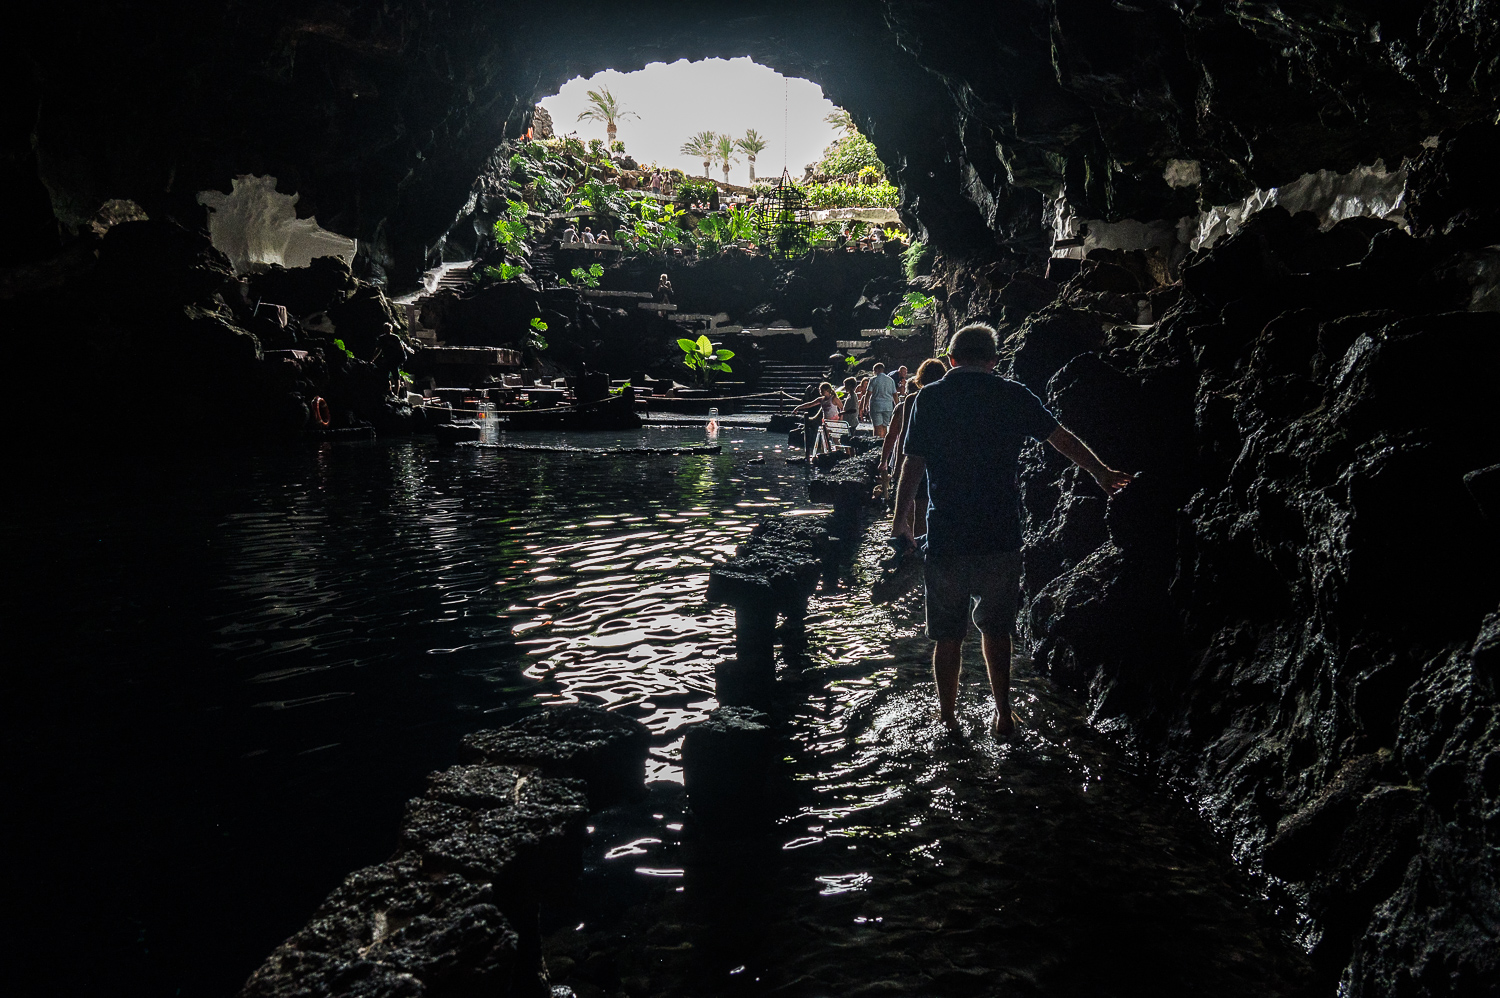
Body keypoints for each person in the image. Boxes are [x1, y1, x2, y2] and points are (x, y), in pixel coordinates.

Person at [892, 324, 1132, 738]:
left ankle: (947, 719)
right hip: (1000, 533)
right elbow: (1062, 439)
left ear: (951, 359)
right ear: (993, 360)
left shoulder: (928, 398)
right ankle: (1003, 715)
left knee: (947, 635)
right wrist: (1102, 472)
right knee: (997, 629)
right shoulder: (1012, 394)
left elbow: (912, 464)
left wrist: (902, 520)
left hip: (946, 534)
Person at [878, 358, 944, 511]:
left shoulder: (913, 399)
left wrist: (898, 467)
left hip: (918, 458)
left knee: (916, 507)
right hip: (942, 459)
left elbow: (904, 435)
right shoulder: (950, 398)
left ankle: (911, 533)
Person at [791, 382, 841, 456]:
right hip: (826, 421)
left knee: (835, 439)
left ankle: (839, 453)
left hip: (834, 420)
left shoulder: (834, 398)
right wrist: (798, 407)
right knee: (825, 439)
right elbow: (810, 404)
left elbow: (842, 408)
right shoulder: (821, 399)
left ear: (827, 390)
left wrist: (841, 419)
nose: (820, 392)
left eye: (822, 390)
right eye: (820, 390)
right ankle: (826, 453)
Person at [867, 362, 897, 438]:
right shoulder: (890, 380)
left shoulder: (873, 379)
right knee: (884, 427)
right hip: (888, 406)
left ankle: (876, 444)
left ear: (876, 370)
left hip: (876, 405)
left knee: (877, 427)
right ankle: (883, 443)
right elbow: (895, 394)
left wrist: (864, 405)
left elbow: (869, 393)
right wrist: (897, 405)